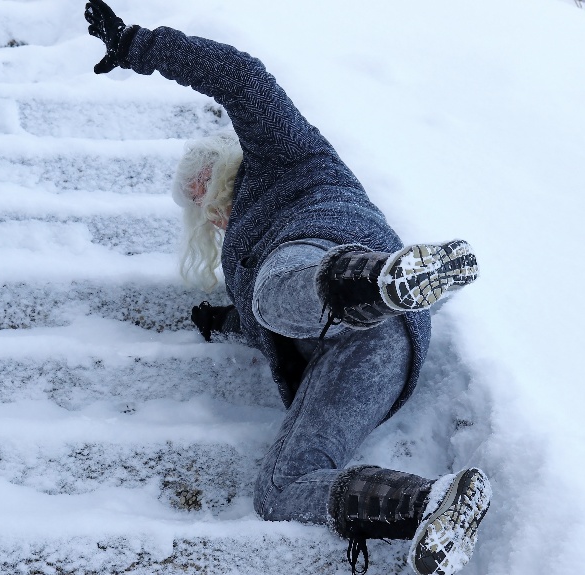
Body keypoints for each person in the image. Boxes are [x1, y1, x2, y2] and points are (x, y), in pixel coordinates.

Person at [84, 2, 491, 574]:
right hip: (372, 355)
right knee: (279, 489)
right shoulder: (241, 264)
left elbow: (243, 78)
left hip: (328, 250)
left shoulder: (285, 159)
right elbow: (258, 324)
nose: (208, 213)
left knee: (276, 285)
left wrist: (137, 46)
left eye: (201, 190)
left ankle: (384, 281)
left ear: (223, 163)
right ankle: (431, 506)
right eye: (198, 211)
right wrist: (218, 321)